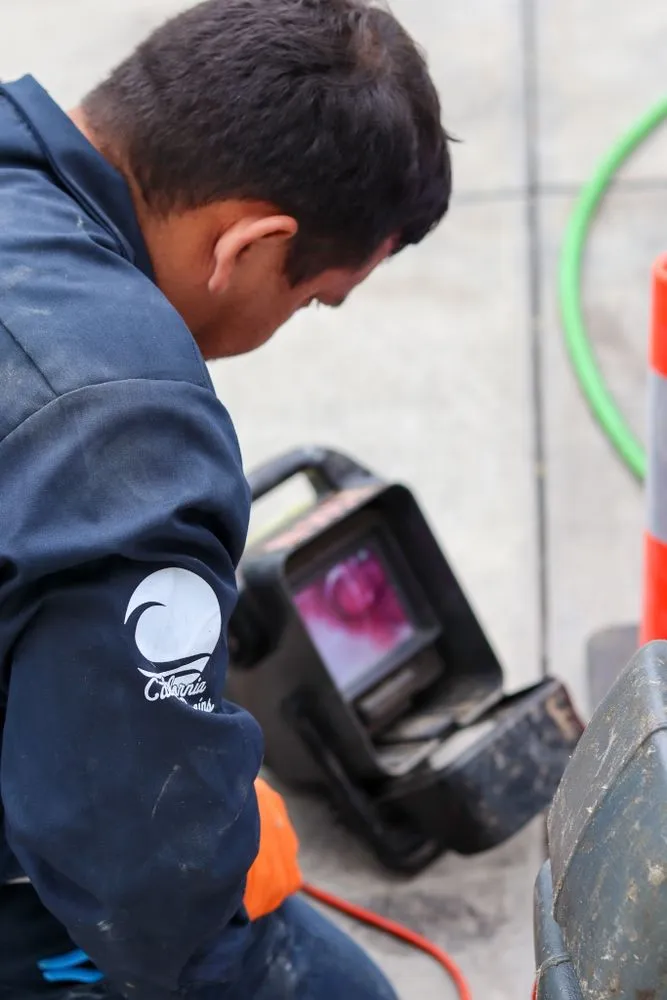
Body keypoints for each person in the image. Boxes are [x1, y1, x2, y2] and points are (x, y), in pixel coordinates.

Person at [0, 0, 451, 997]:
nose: (293, 319)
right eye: (310, 298)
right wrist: (211, 835)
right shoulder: (124, 438)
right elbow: (135, 859)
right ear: (248, 243)